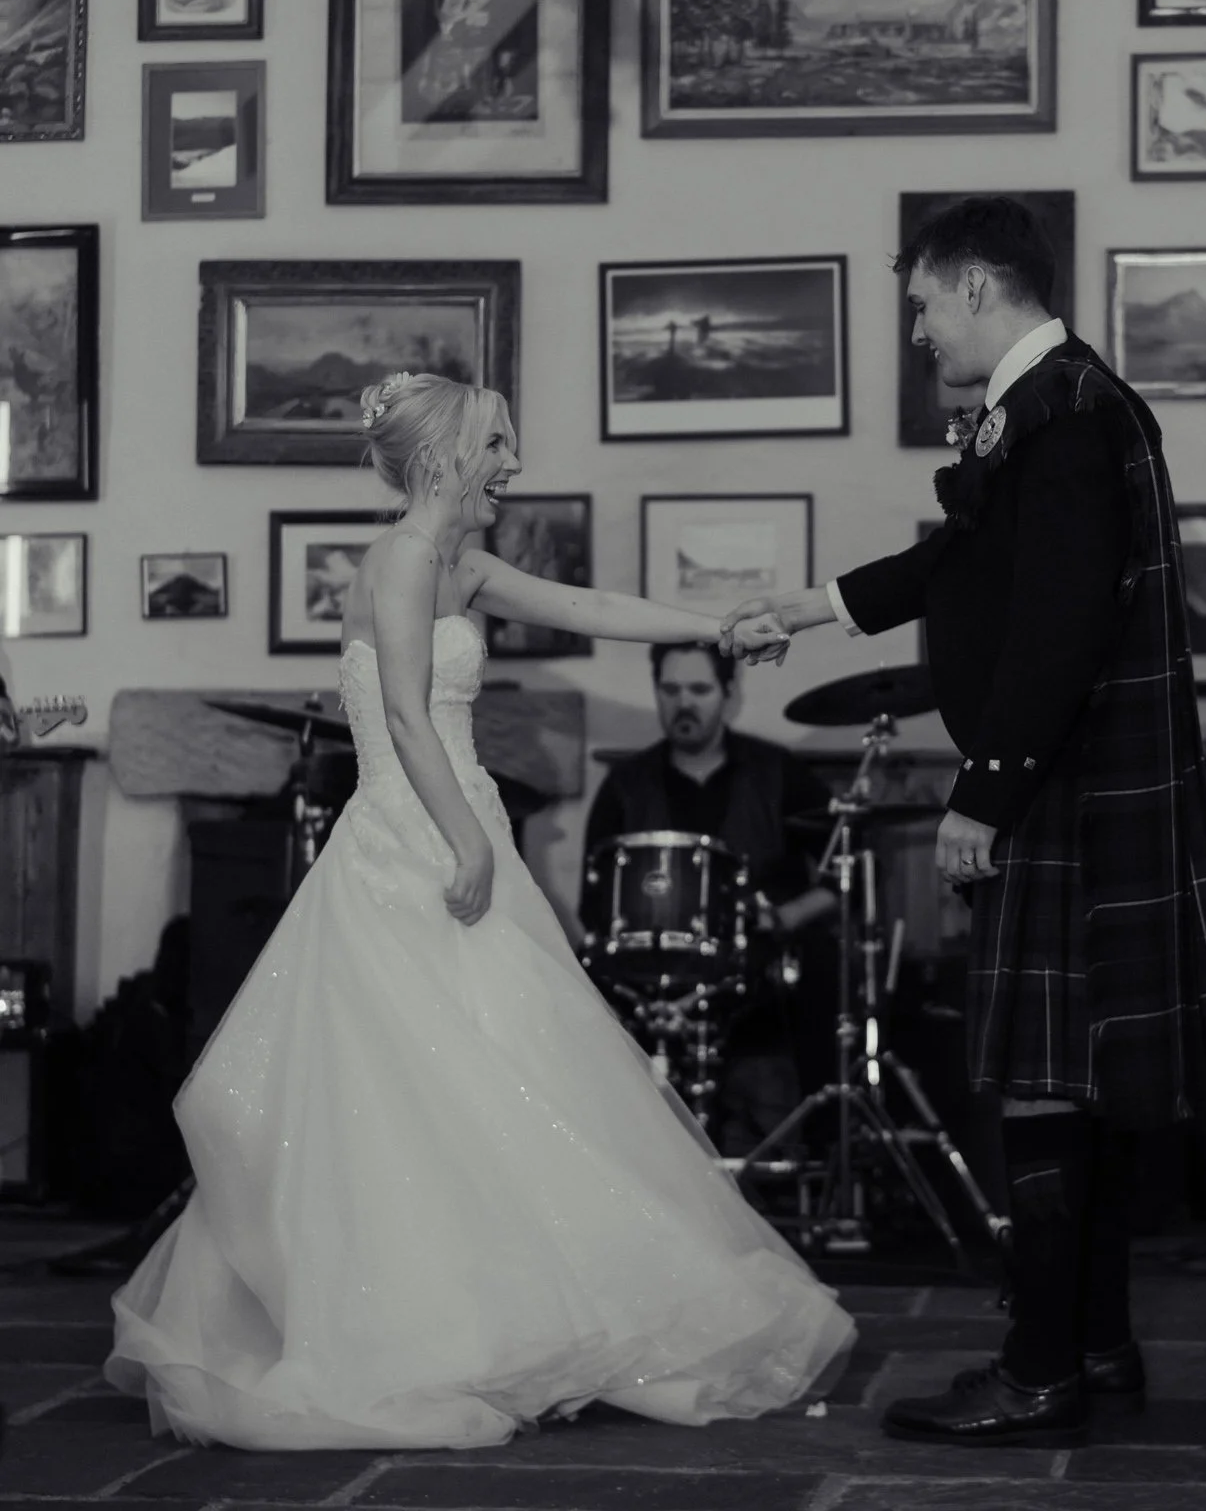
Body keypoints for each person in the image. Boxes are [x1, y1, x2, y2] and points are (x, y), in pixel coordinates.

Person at [105, 371, 853, 1450]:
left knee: (504, 1072)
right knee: (420, 1082)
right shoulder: (403, 559)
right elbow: (407, 716)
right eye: (497, 443)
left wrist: (723, 628)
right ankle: (422, 1324)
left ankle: (514, 1313)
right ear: (443, 456)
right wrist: (464, 842)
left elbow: (591, 608)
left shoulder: (460, 562)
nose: (513, 462)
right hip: (410, 842)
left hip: (461, 823)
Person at [724, 197, 1206, 1448]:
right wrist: (809, 603)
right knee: (1079, 1078)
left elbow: (1059, 623)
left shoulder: (1062, 417)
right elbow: (961, 562)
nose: (916, 330)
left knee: (1040, 1080)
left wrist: (984, 789)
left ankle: (1036, 1371)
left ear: (974, 285)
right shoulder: (1059, 403)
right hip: (1080, 783)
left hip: (1060, 786)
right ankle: (1096, 1343)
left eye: (919, 302)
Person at [580, 642, 836, 1153]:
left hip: (761, 971)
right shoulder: (626, 785)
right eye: (670, 690)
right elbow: (594, 906)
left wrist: (785, 917)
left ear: (728, 694)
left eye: (699, 689)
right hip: (649, 977)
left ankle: (809, 1151)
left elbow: (845, 873)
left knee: (824, 969)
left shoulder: (778, 772)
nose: (684, 703)